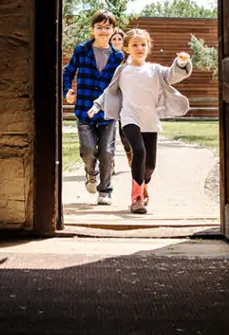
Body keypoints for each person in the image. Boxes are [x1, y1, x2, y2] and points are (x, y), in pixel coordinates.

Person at [88, 28, 192, 213]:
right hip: (129, 117)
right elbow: (110, 91)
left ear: (148, 47)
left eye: (143, 44)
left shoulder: (155, 70)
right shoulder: (123, 70)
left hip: (150, 119)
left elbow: (172, 75)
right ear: (127, 48)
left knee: (150, 165)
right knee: (139, 151)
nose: (139, 48)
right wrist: (96, 106)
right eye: (134, 45)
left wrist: (181, 62)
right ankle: (136, 198)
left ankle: (144, 184)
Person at [63, 11, 123, 205]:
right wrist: (67, 91)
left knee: (107, 151)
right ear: (93, 29)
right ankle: (91, 173)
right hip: (84, 109)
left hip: (108, 112)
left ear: (113, 30)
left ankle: (105, 190)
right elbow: (68, 72)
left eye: (107, 27)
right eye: (99, 27)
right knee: (88, 150)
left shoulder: (118, 57)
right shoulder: (82, 50)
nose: (103, 31)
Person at [107, 28, 132, 174]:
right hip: (110, 99)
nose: (116, 42)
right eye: (114, 39)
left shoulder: (128, 60)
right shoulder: (106, 57)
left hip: (125, 101)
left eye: (119, 39)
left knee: (125, 133)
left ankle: (130, 155)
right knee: (109, 133)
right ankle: (111, 163)